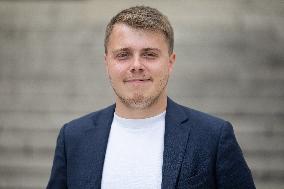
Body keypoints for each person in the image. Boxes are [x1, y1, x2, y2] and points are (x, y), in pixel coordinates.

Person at [47, 6, 256, 189]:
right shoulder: (73, 138)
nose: (136, 65)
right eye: (123, 55)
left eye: (149, 54)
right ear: (107, 62)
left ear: (170, 62)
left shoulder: (214, 137)